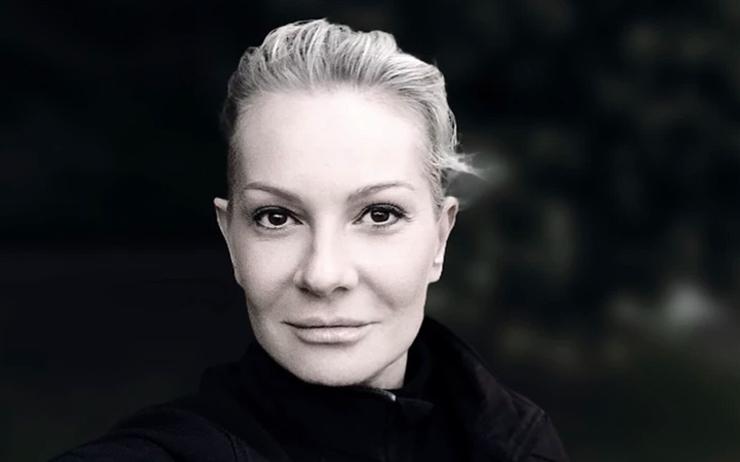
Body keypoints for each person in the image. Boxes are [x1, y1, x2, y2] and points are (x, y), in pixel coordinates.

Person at [51, 19, 569, 462]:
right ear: (231, 239)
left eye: (379, 214)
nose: (323, 275)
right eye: (276, 218)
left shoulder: (520, 445)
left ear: (440, 237)